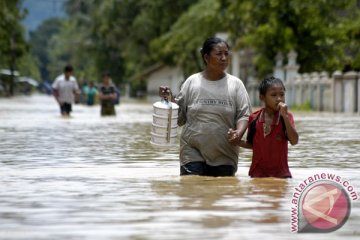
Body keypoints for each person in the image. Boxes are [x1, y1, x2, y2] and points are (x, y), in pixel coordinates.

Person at [159, 37, 252, 177]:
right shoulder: (192, 82)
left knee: (221, 192)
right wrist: (169, 99)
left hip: (224, 153)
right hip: (191, 150)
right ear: (206, 57)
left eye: (226, 54)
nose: (224, 58)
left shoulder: (236, 85)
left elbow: (244, 115)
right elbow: (179, 119)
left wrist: (238, 133)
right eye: (219, 54)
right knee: (192, 187)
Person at [228, 76, 299, 178]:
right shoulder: (254, 118)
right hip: (257, 175)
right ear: (262, 97)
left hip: (281, 176)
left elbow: (294, 141)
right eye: (273, 95)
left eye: (282, 94)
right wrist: (237, 141)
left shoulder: (286, 118)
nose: (279, 99)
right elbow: (252, 144)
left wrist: (285, 117)